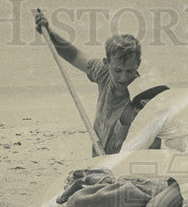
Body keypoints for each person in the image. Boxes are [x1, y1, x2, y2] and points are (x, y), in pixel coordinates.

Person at [34, 11, 141, 156]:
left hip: (123, 163)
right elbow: (74, 55)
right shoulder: (103, 73)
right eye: (117, 70)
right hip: (98, 157)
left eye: (129, 71)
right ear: (106, 63)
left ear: (138, 64)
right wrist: (50, 33)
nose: (123, 77)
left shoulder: (142, 93)